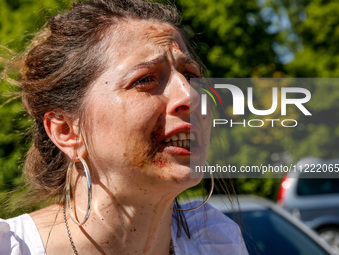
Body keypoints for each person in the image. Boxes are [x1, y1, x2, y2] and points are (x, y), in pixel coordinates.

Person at [0, 0, 248, 254]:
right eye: (145, 79)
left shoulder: (216, 243)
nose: (190, 96)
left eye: (191, 76)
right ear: (67, 131)